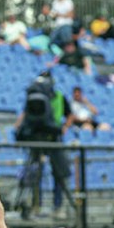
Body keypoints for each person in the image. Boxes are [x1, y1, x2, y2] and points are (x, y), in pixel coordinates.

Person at [14, 72, 73, 217]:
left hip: (54, 137)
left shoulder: (59, 97)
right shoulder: (34, 99)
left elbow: (70, 114)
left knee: (58, 173)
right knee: (35, 172)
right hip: (37, 137)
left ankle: (57, 206)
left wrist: (63, 128)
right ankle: (36, 204)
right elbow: (26, 114)